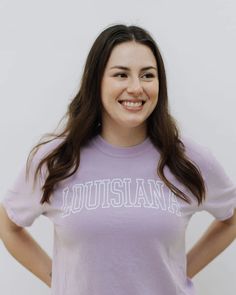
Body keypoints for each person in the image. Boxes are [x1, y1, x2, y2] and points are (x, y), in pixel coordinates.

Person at [0, 23, 236, 295]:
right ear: (96, 80)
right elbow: (9, 224)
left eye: (148, 75)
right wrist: (58, 280)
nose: (136, 88)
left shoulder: (187, 159)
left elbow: (230, 218)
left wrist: (181, 270)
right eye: (121, 75)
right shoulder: (57, 159)